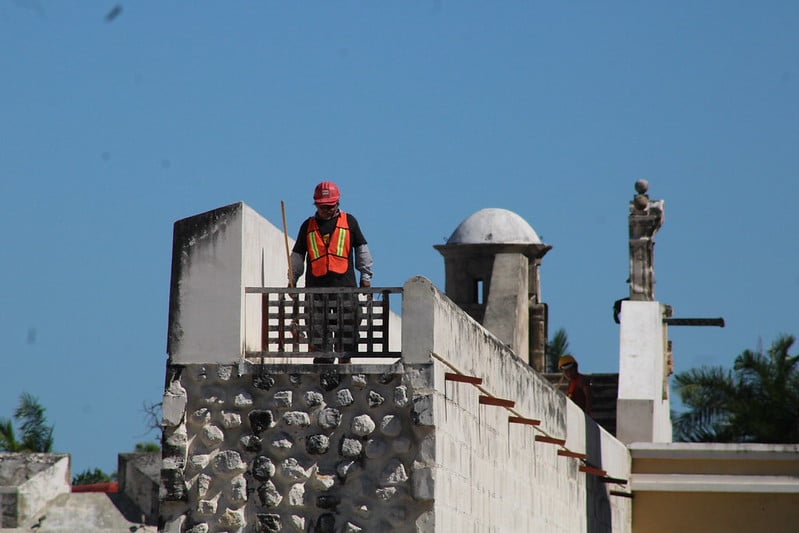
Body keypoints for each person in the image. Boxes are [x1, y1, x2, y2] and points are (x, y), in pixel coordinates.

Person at [289, 181, 374, 363]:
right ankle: (323, 365)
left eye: (329, 206)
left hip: (345, 288)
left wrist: (365, 277)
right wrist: (292, 279)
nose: (326, 210)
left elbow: (362, 250)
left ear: (337, 203)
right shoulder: (308, 226)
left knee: (348, 327)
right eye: (322, 207)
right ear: (316, 205)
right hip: (316, 290)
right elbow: (297, 256)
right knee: (317, 328)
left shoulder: (349, 222)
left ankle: (345, 363)